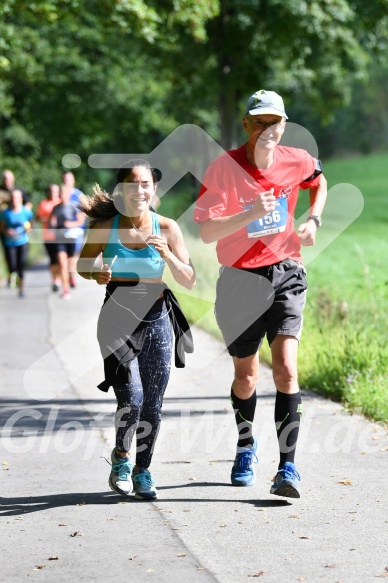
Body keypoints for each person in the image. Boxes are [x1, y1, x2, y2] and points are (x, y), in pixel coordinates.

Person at [194, 89, 327, 498]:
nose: (267, 129)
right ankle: (246, 446)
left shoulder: (297, 160)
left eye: (275, 122)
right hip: (239, 280)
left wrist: (314, 220)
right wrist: (250, 213)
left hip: (286, 271)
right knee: (246, 375)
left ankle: (288, 466)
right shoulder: (223, 168)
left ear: (283, 125)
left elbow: (318, 181)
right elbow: (206, 231)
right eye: (259, 122)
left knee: (286, 367)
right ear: (248, 126)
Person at [77, 159, 195, 500]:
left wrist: (168, 257)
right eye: (132, 184)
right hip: (116, 317)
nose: (139, 190)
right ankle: (122, 459)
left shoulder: (168, 228)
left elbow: (189, 278)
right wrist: (96, 273)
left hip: (157, 317)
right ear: (121, 190)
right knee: (132, 395)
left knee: (153, 404)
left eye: (145, 184)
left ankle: (144, 470)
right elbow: (84, 264)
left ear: (154, 189)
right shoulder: (104, 227)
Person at [49, 185, 85, 299]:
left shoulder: (73, 206)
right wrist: (52, 224)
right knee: (61, 262)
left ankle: (71, 277)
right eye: (61, 193)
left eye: (64, 193)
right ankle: (65, 289)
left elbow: (81, 220)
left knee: (70, 263)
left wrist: (71, 224)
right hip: (59, 238)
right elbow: (51, 220)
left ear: (68, 195)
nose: (62, 196)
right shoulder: (56, 208)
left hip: (71, 237)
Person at [0, 188, 33, 297]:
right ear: (10, 200)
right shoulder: (5, 213)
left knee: (21, 265)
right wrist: (6, 231)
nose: (15, 200)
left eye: (17, 198)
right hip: (9, 243)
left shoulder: (26, 212)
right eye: (13, 198)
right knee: (12, 265)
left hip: (23, 241)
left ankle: (21, 290)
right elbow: (2, 227)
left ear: (21, 199)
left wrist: (27, 228)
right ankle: (12, 276)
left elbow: (31, 224)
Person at [36, 184, 61, 291]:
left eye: (55, 191)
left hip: (61, 235)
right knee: (53, 259)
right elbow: (38, 218)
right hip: (48, 235)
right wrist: (49, 220)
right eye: (51, 191)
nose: (53, 193)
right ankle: (55, 279)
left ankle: (60, 278)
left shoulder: (61, 202)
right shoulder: (43, 204)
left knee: (61, 258)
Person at [62, 171, 84, 287]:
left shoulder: (78, 195)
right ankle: (67, 275)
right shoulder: (60, 194)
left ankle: (72, 276)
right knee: (64, 254)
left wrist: (75, 222)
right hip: (63, 230)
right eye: (65, 179)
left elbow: (85, 212)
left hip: (77, 229)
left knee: (74, 253)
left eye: (69, 179)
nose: (67, 182)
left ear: (73, 181)